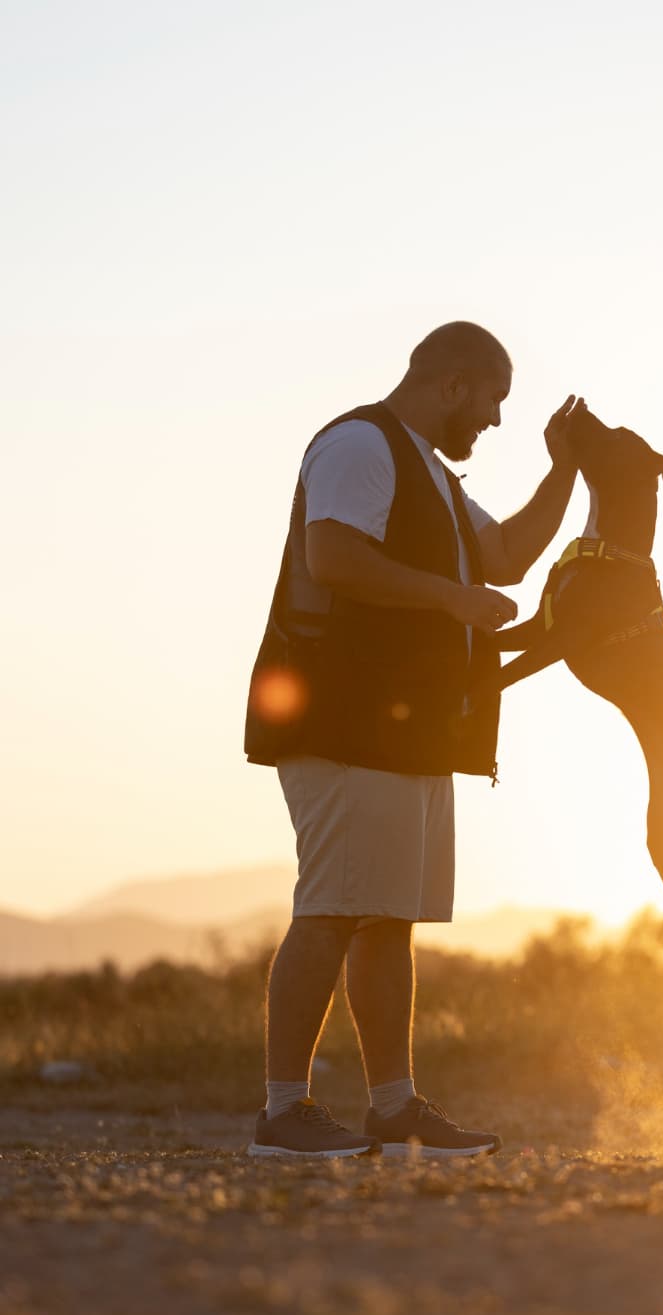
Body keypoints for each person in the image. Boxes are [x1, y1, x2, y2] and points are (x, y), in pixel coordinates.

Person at [243, 322, 579, 1159]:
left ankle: (392, 1106)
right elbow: (333, 558)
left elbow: (502, 557)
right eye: (493, 401)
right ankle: (284, 1113)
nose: (496, 421)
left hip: (405, 732)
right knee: (329, 909)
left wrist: (565, 469)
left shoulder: (427, 468)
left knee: (386, 919)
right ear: (454, 384)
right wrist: (450, 601)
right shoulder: (361, 446)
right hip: (341, 722)